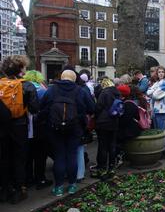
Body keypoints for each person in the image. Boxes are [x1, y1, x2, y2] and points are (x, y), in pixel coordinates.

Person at [40, 70, 95, 196]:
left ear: (61, 77)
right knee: (72, 155)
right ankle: (72, 185)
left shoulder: (52, 89)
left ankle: (58, 187)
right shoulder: (80, 90)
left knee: (59, 156)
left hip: (55, 128)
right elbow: (92, 108)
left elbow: (42, 107)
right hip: (75, 128)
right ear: (74, 79)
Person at [0, 55, 39, 204]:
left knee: (4, 157)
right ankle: (19, 189)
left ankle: (4, 189)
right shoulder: (27, 85)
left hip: (2, 126)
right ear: (20, 68)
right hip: (19, 125)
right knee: (20, 158)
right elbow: (35, 108)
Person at [23, 70, 53, 190]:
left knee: (28, 154)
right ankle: (40, 178)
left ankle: (28, 178)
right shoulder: (43, 89)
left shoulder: (23, 87)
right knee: (41, 155)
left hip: (25, 126)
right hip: (41, 125)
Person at [92, 78, 121, 180]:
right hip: (114, 122)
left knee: (103, 146)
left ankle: (102, 169)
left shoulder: (104, 93)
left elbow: (98, 108)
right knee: (112, 145)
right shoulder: (117, 93)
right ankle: (112, 168)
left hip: (103, 122)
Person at [147, 66, 165, 131]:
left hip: (162, 110)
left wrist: (153, 91)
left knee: (161, 130)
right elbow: (148, 92)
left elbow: (155, 96)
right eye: (159, 72)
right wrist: (155, 90)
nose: (161, 73)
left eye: (162, 72)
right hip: (155, 109)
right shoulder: (157, 82)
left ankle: (164, 141)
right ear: (157, 74)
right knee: (157, 130)